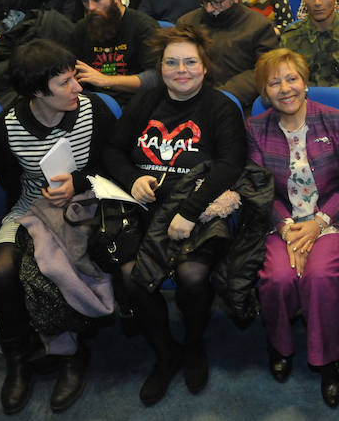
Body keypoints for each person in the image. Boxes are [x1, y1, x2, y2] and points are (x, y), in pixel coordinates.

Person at [103, 25, 248, 406]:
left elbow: (231, 165)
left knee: (193, 275)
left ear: (204, 66)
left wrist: (188, 211)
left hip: (198, 208)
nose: (180, 70)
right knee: (132, 274)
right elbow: (113, 151)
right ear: (160, 67)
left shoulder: (221, 107)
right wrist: (133, 178)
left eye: (189, 62)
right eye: (171, 62)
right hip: (143, 207)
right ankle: (166, 353)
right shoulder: (145, 102)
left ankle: (194, 343)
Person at [0, 39, 116, 415]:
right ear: (37, 92)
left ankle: (72, 353)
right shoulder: (9, 125)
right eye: (65, 83)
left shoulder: (93, 111)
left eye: (74, 78)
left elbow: (120, 163)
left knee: (61, 264)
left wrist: (79, 182)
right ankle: (17, 360)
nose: (78, 88)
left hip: (87, 205)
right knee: (2, 270)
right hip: (30, 208)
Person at [247, 49, 339, 408]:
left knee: (319, 276)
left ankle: (330, 360)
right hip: (282, 223)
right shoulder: (255, 129)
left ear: (305, 81)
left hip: (330, 221)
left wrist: (317, 224)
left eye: (291, 78)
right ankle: (280, 345)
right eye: (274, 82)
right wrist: (286, 228)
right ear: (265, 92)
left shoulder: (336, 120)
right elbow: (259, 190)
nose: (285, 88)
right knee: (278, 277)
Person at [177, 0, 279, 105]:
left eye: (217, 1)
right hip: (190, 97)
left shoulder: (259, 26)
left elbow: (263, 71)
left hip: (236, 101)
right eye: (204, 0)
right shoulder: (187, 23)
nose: (209, 8)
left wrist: (222, 96)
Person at [72, 0, 160, 102]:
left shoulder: (143, 27)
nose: (90, 7)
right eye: (84, 0)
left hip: (134, 102)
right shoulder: (82, 29)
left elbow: (155, 77)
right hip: (93, 101)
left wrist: (107, 80)